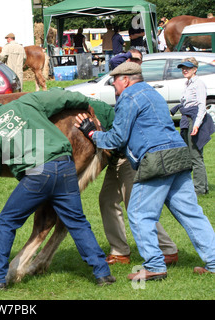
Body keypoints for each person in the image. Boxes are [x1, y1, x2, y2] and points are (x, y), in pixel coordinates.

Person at [0, 89, 116, 289]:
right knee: (77, 221)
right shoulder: (27, 102)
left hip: (37, 175)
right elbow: (62, 97)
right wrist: (84, 103)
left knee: (7, 221)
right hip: (65, 166)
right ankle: (103, 273)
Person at [75, 62, 215, 280]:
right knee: (192, 214)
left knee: (140, 215)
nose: (113, 83)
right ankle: (214, 262)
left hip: (156, 159)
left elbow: (116, 139)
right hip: (178, 153)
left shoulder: (129, 97)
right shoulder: (153, 93)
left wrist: (92, 133)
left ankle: (155, 265)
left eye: (115, 79)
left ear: (126, 79)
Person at [171, 58, 215, 195]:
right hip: (186, 120)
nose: (184, 70)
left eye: (188, 68)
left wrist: (196, 125)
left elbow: (202, 106)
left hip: (194, 120)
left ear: (195, 69)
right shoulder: (188, 83)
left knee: (195, 155)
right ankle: (197, 186)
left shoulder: (198, 84)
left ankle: (200, 189)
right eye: (183, 68)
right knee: (188, 154)